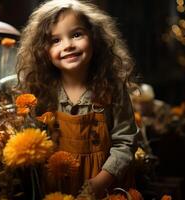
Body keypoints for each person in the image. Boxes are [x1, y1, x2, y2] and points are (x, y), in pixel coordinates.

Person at [16, 0, 138, 197]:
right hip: (57, 189)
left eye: (76, 34)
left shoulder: (112, 88)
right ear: (42, 51)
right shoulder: (41, 92)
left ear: (95, 37)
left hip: (107, 186)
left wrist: (99, 183)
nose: (68, 45)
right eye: (55, 40)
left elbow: (126, 142)